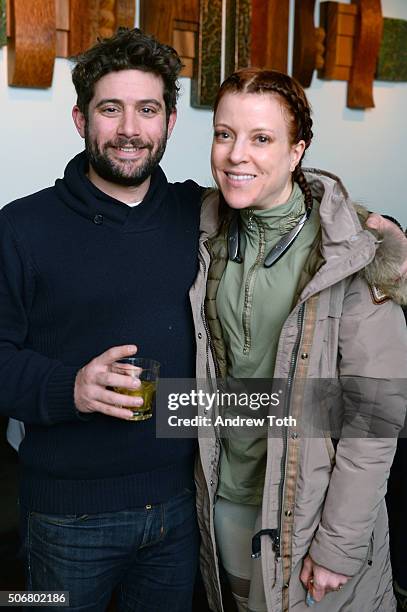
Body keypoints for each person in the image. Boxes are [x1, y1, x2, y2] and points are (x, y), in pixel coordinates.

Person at [0, 28, 204, 611]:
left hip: (182, 506)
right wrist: (72, 388)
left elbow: (288, 203)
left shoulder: (201, 214)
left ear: (169, 121)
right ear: (80, 118)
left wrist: (387, 231)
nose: (130, 130)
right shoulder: (21, 228)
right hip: (66, 518)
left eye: (148, 109)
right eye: (110, 109)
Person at [191, 68, 407, 612]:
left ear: (297, 151)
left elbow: (374, 421)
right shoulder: (201, 233)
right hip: (226, 503)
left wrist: (337, 546)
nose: (237, 154)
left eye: (262, 138)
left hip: (315, 519)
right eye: (224, 133)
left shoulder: (353, 252)